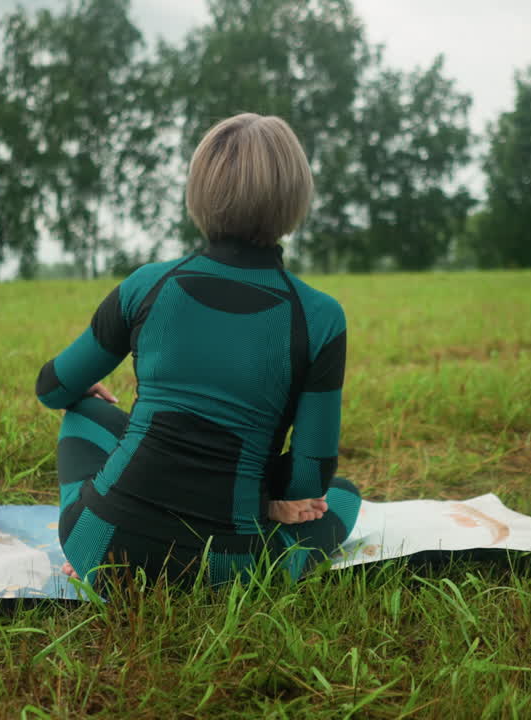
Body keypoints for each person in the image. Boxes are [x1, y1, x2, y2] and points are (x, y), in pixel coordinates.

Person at [35, 112, 361, 587]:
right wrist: (264, 497)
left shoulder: (147, 285)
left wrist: (82, 387)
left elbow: (52, 389)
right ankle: (249, 514)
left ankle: (112, 531)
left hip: (100, 545)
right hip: (231, 568)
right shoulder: (319, 316)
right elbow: (309, 479)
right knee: (344, 496)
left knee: (85, 411)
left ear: (199, 190)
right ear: (296, 196)